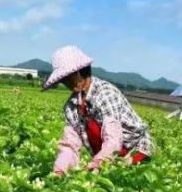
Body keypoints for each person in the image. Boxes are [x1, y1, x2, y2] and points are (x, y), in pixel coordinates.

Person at [43, 46, 154, 175]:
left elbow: (113, 140)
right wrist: (60, 170)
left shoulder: (106, 94)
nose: (66, 82)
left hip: (134, 150)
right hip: (108, 155)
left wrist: (97, 164)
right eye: (63, 79)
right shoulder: (71, 107)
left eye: (69, 77)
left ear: (81, 72)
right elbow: (70, 145)